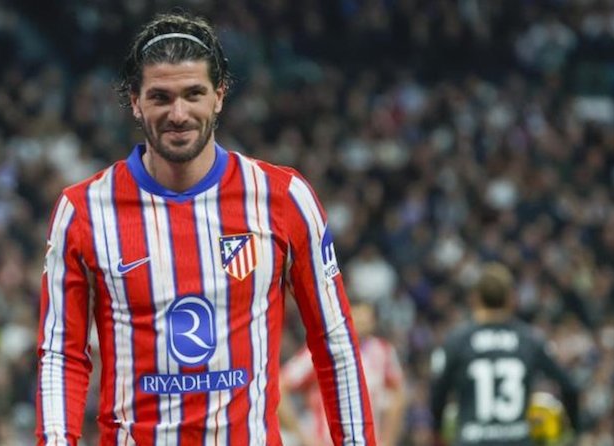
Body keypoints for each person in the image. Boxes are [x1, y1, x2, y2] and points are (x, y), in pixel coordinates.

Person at [34, 12, 376, 446]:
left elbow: (334, 342)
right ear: (135, 102)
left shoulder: (283, 198)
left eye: (193, 94)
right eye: (160, 97)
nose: (178, 114)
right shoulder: (83, 211)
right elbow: (61, 355)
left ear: (219, 95)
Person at [429, 262, 581, 446]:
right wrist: (573, 432)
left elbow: (437, 396)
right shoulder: (529, 339)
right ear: (511, 298)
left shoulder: (458, 341)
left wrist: (437, 436)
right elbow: (570, 387)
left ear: (475, 298)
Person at [280, 302, 406, 446]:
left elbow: (398, 394)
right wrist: (302, 436)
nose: (362, 323)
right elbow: (280, 385)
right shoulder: (323, 349)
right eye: (357, 317)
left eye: (366, 319)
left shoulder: (383, 351)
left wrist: (389, 440)